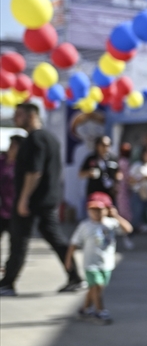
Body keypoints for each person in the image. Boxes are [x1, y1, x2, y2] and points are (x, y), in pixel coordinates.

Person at [0, 102, 85, 296]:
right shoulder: (50, 138)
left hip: (34, 200)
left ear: (31, 116)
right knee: (54, 238)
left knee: (19, 240)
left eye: (19, 114)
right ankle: (75, 277)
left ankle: (7, 283)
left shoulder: (35, 139)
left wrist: (23, 198)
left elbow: (34, 172)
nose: (15, 118)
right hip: (46, 199)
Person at [66, 191, 132, 324]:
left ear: (107, 210)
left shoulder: (111, 223)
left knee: (95, 289)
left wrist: (116, 216)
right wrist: (68, 260)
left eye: (100, 210)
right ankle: (100, 311)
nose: (96, 213)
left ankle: (84, 309)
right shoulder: (85, 226)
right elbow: (74, 244)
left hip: (106, 264)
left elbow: (128, 229)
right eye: (93, 210)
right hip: (91, 264)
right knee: (97, 285)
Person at [79, 135, 121, 199]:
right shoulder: (91, 158)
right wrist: (89, 173)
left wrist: (118, 180)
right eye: (103, 145)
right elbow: (80, 174)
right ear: (97, 146)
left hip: (109, 193)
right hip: (94, 193)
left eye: (108, 145)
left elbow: (118, 172)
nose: (106, 148)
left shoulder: (113, 158)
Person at [0, 135, 24, 250]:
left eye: (14, 145)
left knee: (15, 242)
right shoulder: (2, 161)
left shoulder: (21, 165)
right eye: (11, 144)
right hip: (1, 207)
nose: (11, 147)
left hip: (14, 209)